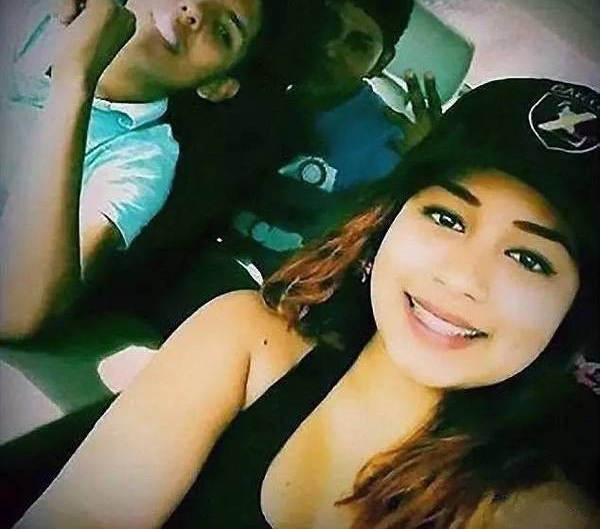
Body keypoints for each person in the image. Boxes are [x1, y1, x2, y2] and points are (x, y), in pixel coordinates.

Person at [17, 78, 599, 527]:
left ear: (573, 314)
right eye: (446, 218)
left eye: (529, 259)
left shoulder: (544, 517)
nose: (463, 277)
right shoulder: (243, 342)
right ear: (387, 222)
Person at [107, 0, 442, 334]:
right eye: (327, 23)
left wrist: (430, 169)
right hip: (153, 271)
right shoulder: (223, 66)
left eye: (358, 44)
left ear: (381, 62)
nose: (330, 49)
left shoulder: (390, 148)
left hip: (263, 315)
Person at [0, 0, 318, 339]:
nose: (194, 10)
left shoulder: (140, 161)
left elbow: (19, 309)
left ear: (218, 85)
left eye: (223, 32)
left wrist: (76, 79)